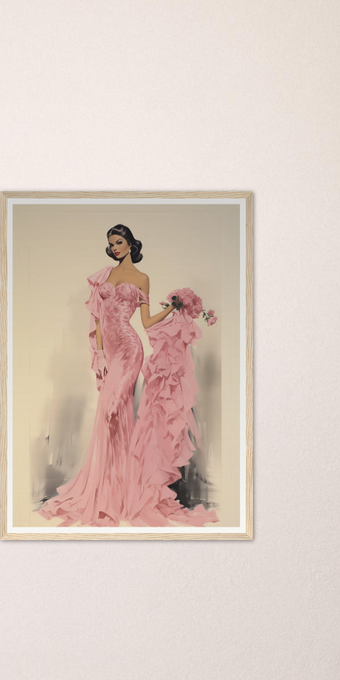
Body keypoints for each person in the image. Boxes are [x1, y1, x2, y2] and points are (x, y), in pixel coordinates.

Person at [39, 224, 216, 527]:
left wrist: (173, 308)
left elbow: (146, 323)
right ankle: (112, 491)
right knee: (111, 418)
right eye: (111, 243)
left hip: (131, 350)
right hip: (110, 351)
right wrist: (99, 353)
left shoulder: (142, 278)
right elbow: (98, 317)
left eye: (119, 242)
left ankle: (125, 491)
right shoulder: (104, 275)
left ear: (131, 243)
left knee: (114, 409)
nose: (115, 248)